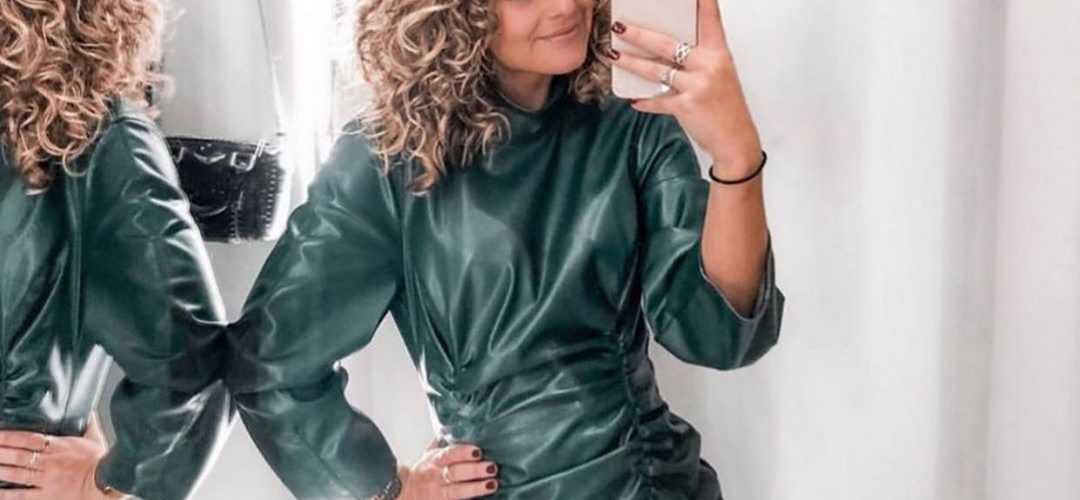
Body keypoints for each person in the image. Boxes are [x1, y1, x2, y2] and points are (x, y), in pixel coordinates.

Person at [225, 0, 784, 498]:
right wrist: (389, 490)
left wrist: (735, 155)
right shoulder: (386, 159)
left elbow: (719, 337)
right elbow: (269, 365)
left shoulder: (631, 120)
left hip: (655, 483)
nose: (566, 6)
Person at [0, 1, 233, 498]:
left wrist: (102, 482)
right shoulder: (95, 136)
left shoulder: (96, 141)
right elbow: (196, 365)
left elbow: (197, 365)